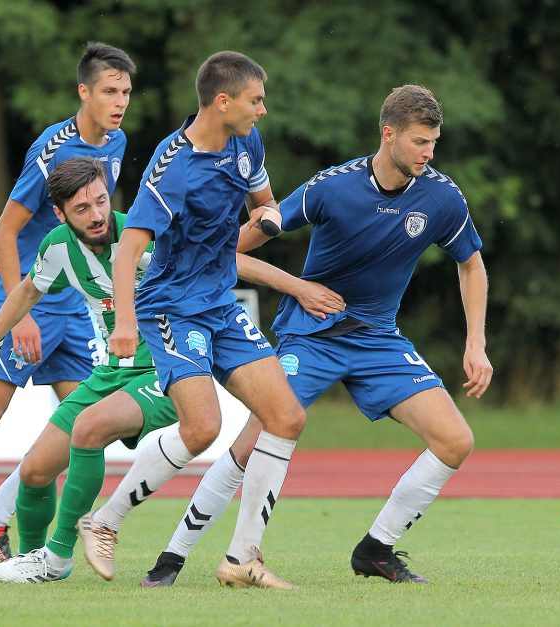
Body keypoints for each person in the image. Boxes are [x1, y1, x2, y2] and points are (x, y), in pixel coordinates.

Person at [140, 84, 492, 587]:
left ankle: (376, 549)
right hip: (311, 335)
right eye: (419, 142)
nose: (428, 153)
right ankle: (170, 560)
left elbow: (472, 266)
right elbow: (243, 242)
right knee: (254, 439)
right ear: (388, 133)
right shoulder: (332, 187)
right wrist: (205, 264)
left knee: (456, 440)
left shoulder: (441, 197)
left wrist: (475, 342)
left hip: (378, 340)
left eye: (433, 142)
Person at [0, 158, 344, 583]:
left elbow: (225, 261)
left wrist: (298, 286)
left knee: (91, 428)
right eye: (82, 209)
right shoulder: (57, 248)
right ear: (61, 214)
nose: (97, 215)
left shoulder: (144, 235)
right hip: (109, 372)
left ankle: (62, 553)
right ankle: (35, 559)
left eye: (101, 201)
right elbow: (26, 293)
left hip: (165, 365)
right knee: (34, 471)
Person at [0, 42, 136, 568]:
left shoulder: (118, 141)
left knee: (84, 425)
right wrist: (23, 305)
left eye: (126, 92)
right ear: (83, 92)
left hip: (78, 303)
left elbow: (76, 219)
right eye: (110, 91)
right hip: (31, 299)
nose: (120, 102)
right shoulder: (51, 148)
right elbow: (8, 228)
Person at [100, 51, 305, 589]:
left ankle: (241, 559)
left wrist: (270, 216)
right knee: (202, 428)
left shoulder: (246, 142)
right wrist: (124, 324)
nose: (263, 110)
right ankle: (105, 520)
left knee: (286, 417)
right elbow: (128, 252)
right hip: (170, 306)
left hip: (219, 303)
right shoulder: (172, 167)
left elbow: (264, 202)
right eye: (255, 100)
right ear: (223, 101)